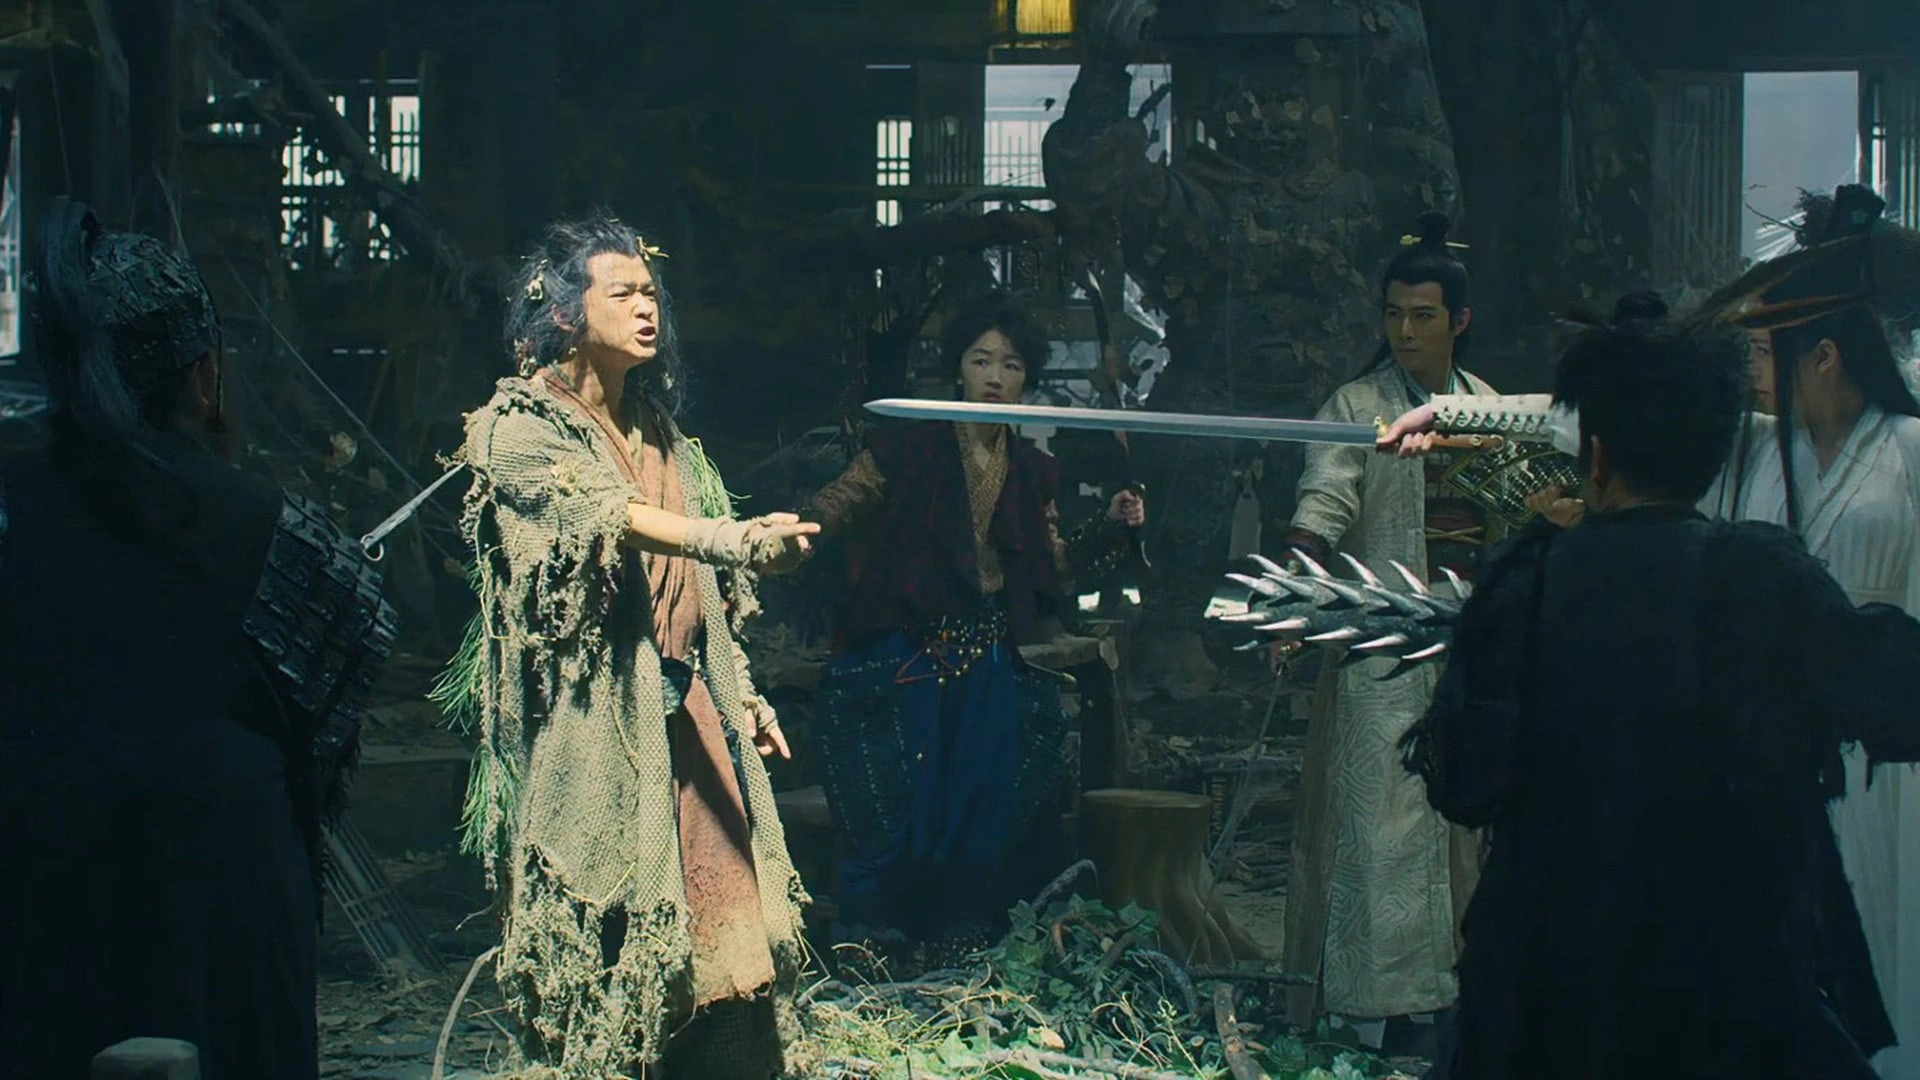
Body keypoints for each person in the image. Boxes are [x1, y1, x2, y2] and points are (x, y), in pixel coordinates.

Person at [1393, 311, 1920, 1079]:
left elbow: (1465, 783)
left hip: (1556, 974)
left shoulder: (1533, 578)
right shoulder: (1762, 576)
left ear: (1597, 455)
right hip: (1728, 975)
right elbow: (1893, 696)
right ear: (1713, 455)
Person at [0, 198, 396, 1079]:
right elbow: (329, 732)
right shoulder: (267, 523)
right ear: (201, 374)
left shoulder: (10, 501)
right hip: (222, 915)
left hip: (38, 905)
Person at [442, 214, 815, 1079]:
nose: (648, 307)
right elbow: (604, 516)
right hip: (595, 728)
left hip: (689, 720)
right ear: (566, 312)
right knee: (609, 939)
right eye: (624, 293)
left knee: (727, 946)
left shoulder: (661, 432)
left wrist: (742, 696)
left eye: (652, 293)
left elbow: (698, 597)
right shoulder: (515, 427)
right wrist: (733, 538)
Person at [801, 293, 1145, 953]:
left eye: (1010, 365)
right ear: (958, 367)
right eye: (981, 360)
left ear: (1026, 378)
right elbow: (849, 495)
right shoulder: (912, 440)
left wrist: (1110, 525)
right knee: (896, 797)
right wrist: (804, 529)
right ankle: (873, 943)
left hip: (985, 656)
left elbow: (1050, 561)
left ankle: (958, 938)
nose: (994, 376)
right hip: (906, 652)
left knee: (980, 800)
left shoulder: (1031, 469)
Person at [1703, 184, 1920, 1078]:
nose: (1755, 370)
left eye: (1766, 352)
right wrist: (1456, 418)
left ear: (1824, 356)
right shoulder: (1754, 450)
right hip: (1774, 744)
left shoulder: (1908, 450)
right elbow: (1592, 419)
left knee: (1887, 933)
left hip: (1887, 752)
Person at [1277, 213, 1495, 1049]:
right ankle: (1377, 1012)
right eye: (1395, 314)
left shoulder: (1492, 410)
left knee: (1465, 827)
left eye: (1424, 315)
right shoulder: (1356, 406)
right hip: (1382, 648)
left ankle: (1460, 1000)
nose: (1406, 331)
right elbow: (1323, 502)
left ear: (1459, 320)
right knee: (1380, 830)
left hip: (1471, 649)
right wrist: (1295, 593)